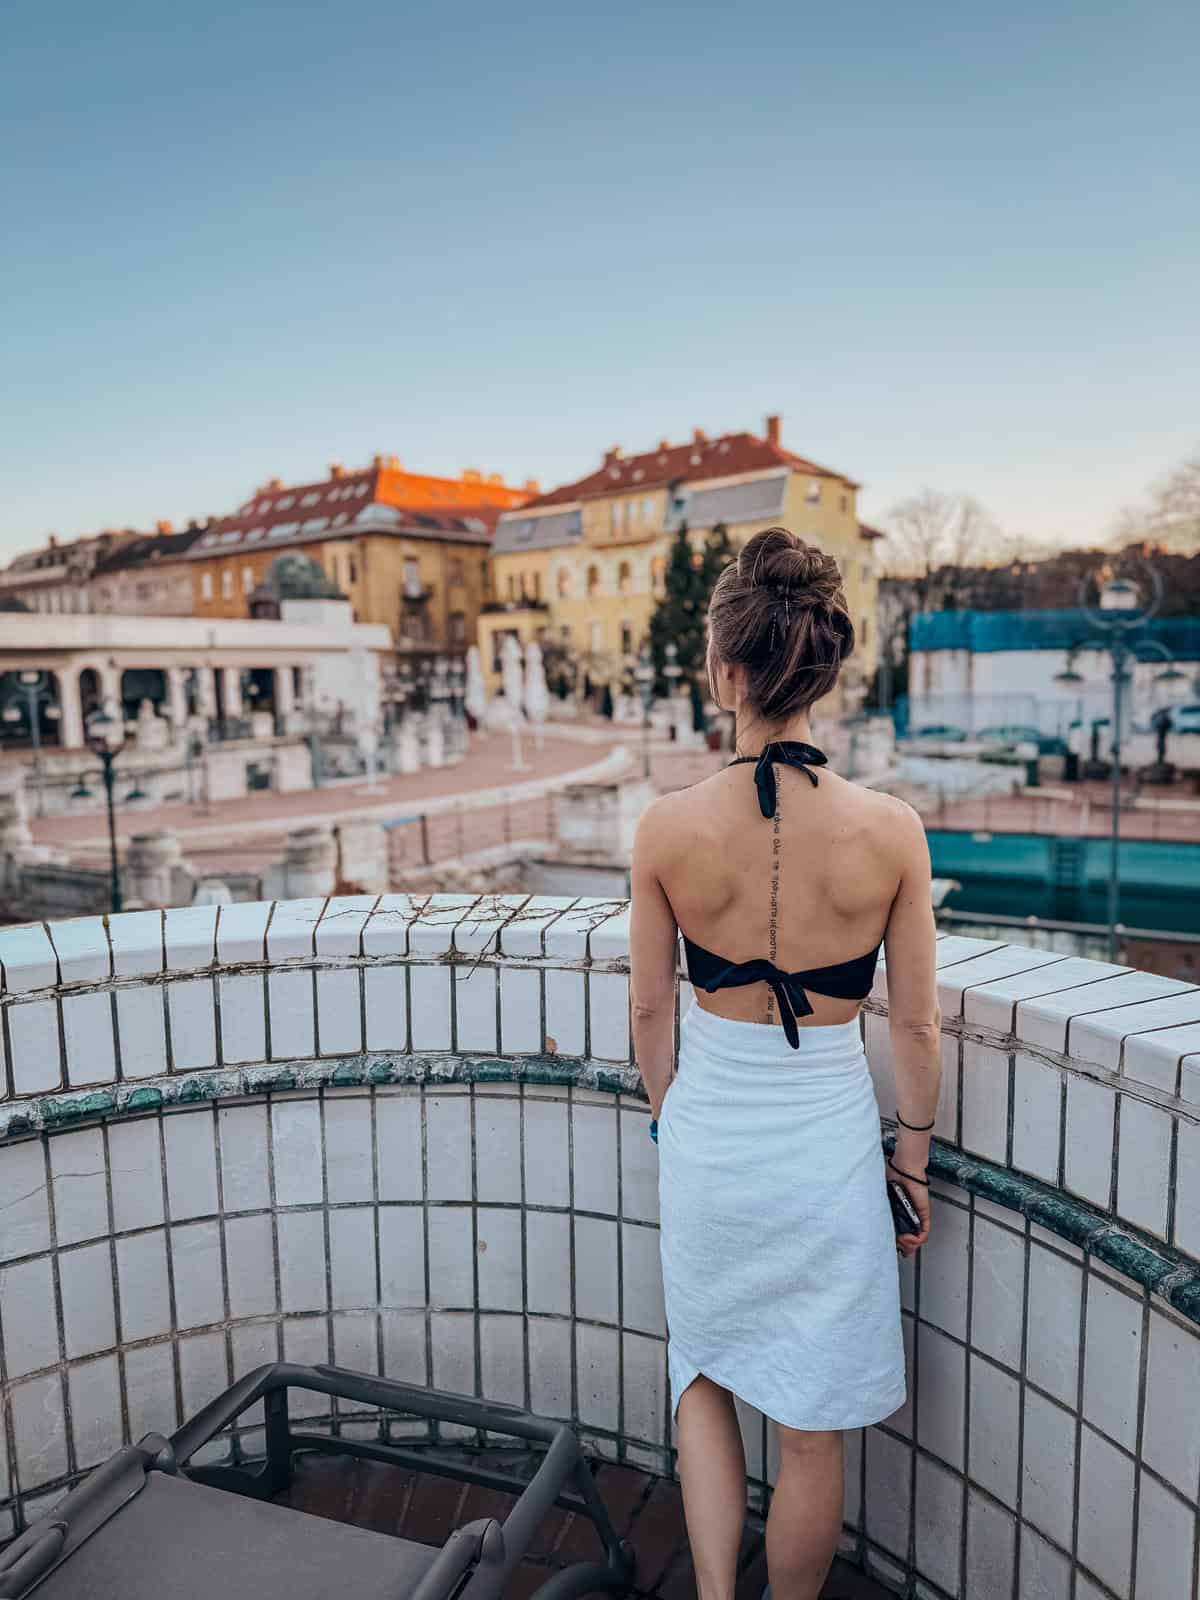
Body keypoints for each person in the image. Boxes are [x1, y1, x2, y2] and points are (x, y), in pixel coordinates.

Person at [630, 527, 940, 1600]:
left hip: (713, 1138)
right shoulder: (893, 831)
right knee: (809, 1430)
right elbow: (914, 1027)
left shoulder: (665, 828)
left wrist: (676, 1117)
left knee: (703, 1375)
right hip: (827, 1153)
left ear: (723, 670)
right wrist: (913, 1165)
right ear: (827, 671)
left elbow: (647, 1004)